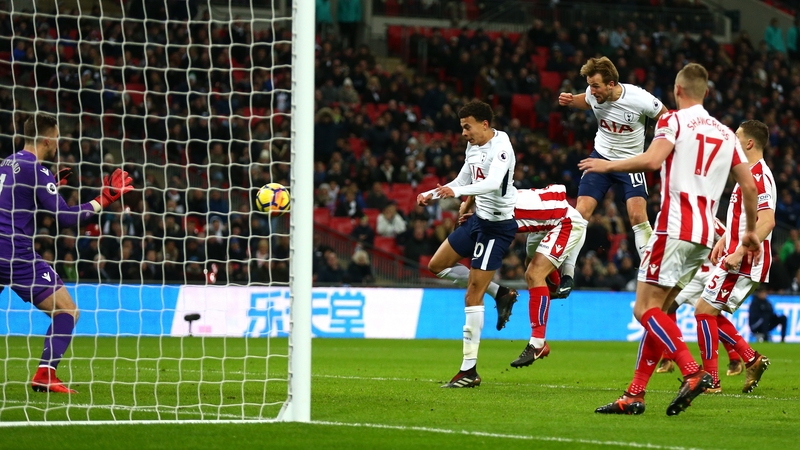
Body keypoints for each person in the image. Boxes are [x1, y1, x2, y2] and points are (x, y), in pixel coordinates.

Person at [579, 64, 761, 416]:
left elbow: (651, 159)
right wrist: (750, 231)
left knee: (644, 309)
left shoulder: (673, 121)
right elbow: (749, 186)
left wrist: (606, 166)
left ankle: (692, 372)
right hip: (707, 235)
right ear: (706, 92)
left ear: (678, 91)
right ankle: (635, 394)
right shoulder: (725, 134)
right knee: (661, 310)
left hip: (675, 227)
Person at [0, 113, 133, 394]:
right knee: (68, 310)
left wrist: (49, 188)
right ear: (48, 139)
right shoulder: (37, 170)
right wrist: (103, 199)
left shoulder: (6, 163)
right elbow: (67, 218)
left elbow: (16, 196)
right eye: (57, 137)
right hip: (13, 252)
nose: (59, 143)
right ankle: (45, 373)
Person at [417, 100, 518, 388]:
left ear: (484, 124)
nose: (463, 133)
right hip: (477, 220)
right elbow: (465, 177)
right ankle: (500, 293)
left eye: (467, 127)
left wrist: (457, 192)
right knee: (437, 265)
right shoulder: (473, 146)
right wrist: (432, 193)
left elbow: (492, 183)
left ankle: (469, 370)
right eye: (462, 127)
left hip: (496, 227)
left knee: (472, 297)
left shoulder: (502, 147)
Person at [557, 57, 668, 298]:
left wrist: (661, 146)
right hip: (600, 158)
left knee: (638, 215)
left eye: (596, 86)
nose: (592, 91)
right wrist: (570, 100)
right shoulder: (593, 93)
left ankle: (653, 274)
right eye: (589, 85)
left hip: (630, 163)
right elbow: (586, 101)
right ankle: (568, 274)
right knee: (581, 213)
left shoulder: (640, 99)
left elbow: (667, 117)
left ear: (611, 83)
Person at [508, 184, 588, 368]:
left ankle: (537, 343)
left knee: (534, 274)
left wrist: (569, 271)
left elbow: (579, 223)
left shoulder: (508, 209)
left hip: (564, 223)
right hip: (542, 226)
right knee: (531, 267)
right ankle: (552, 289)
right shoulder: (513, 199)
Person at [655, 218, 745, 379]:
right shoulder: (675, 218)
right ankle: (667, 358)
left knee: (710, 316)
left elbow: (729, 239)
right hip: (691, 276)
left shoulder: (710, 220)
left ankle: (735, 359)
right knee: (667, 307)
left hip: (711, 274)